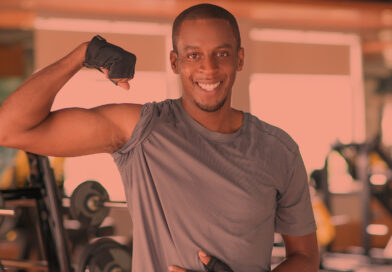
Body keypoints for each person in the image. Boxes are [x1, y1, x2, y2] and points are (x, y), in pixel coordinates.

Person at [0, 3, 319, 272]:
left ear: (239, 59)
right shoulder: (140, 130)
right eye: (193, 55)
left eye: (221, 54)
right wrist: (82, 55)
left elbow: (305, 256)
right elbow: (10, 128)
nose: (208, 68)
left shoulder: (279, 149)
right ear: (174, 62)